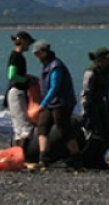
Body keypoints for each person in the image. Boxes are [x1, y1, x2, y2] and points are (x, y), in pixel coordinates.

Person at [32, 40, 82, 171]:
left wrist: (43, 103)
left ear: (44, 52)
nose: (36, 57)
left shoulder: (56, 66)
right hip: (50, 103)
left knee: (64, 130)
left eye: (37, 53)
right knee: (42, 127)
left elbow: (55, 87)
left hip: (61, 103)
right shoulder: (46, 65)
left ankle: (77, 161)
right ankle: (43, 160)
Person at [80, 46, 109, 169]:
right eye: (107, 59)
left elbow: (107, 90)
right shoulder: (90, 72)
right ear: (100, 59)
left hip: (102, 101)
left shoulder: (108, 69)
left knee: (108, 130)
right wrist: (85, 112)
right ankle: (91, 159)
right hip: (90, 103)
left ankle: (99, 157)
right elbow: (86, 93)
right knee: (96, 131)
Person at [4, 31, 36, 147]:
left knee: (18, 129)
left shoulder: (17, 56)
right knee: (25, 127)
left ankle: (17, 157)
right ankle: (23, 156)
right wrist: (26, 80)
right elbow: (12, 75)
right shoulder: (16, 56)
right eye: (28, 43)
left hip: (15, 93)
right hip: (16, 93)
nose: (29, 46)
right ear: (22, 42)